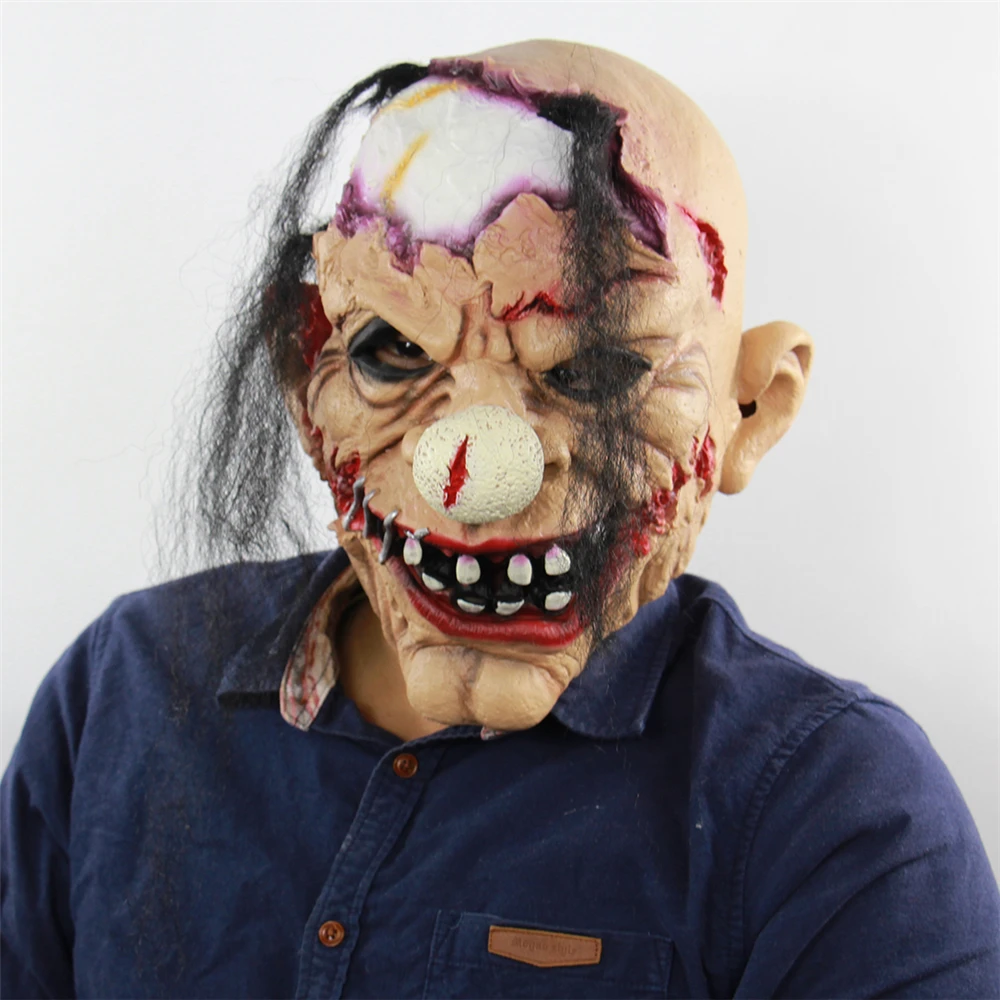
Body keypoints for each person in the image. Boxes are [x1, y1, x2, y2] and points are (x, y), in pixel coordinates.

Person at [2, 39, 997, 999]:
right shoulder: (121, 691)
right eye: (392, 350)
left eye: (594, 369)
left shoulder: (839, 817)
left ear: (752, 410)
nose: (472, 479)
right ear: (307, 376)